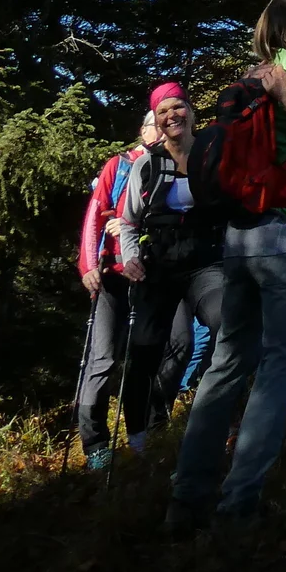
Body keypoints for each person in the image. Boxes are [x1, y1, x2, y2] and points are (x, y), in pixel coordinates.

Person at [165, 0, 286, 533]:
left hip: (239, 238)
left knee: (226, 363)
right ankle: (239, 503)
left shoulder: (248, 81)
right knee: (281, 365)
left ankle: (185, 499)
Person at [114, 83, 225, 452]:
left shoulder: (212, 154)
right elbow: (128, 222)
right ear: (157, 121)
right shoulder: (147, 165)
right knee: (145, 348)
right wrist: (128, 259)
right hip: (157, 267)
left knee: (225, 321)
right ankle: (139, 437)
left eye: (178, 108)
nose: (171, 116)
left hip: (204, 263)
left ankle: (217, 415)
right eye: (163, 112)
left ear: (192, 112)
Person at [76, 107, 157, 471]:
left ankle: (145, 433)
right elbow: (95, 213)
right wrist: (88, 266)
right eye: (153, 124)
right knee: (104, 359)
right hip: (111, 274)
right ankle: (94, 444)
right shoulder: (120, 164)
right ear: (142, 129)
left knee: (153, 354)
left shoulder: (176, 165)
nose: (159, 130)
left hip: (151, 275)